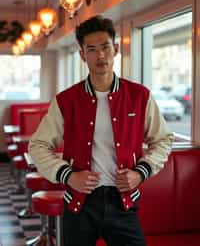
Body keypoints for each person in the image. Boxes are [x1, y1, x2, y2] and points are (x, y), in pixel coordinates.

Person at [29, 15, 174, 246]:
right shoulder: (66, 100)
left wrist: (141, 172)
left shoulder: (139, 96)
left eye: (105, 47)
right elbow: (37, 145)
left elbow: (164, 140)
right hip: (79, 203)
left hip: (123, 202)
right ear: (82, 55)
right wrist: (67, 175)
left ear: (115, 49)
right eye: (92, 49)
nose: (101, 55)